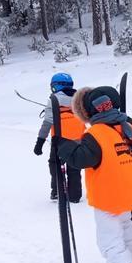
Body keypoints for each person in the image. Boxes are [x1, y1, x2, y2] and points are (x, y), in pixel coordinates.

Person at [57, 86, 132, 263]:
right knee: (125, 226)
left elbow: (81, 158)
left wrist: (62, 146)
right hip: (131, 183)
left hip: (109, 189)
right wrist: (126, 118)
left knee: (109, 233)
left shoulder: (95, 133)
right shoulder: (125, 127)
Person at [33, 73, 85, 202]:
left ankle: (58, 191)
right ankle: (74, 195)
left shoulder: (53, 99)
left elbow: (47, 123)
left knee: (55, 165)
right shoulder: (80, 98)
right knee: (74, 168)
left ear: (56, 86)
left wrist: (40, 142)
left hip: (60, 140)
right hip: (78, 140)